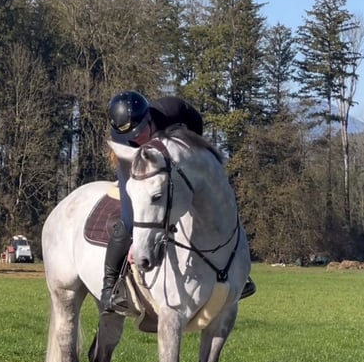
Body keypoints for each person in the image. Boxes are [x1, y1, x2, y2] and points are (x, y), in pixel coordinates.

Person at [101, 90, 255, 313]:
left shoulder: (173, 110)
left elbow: (196, 128)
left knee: (219, 200)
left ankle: (240, 274)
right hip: (137, 168)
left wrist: (192, 158)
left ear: (149, 118)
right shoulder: (124, 140)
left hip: (174, 167)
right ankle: (111, 288)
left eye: (141, 130)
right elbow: (130, 158)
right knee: (127, 221)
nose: (138, 137)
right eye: (131, 136)